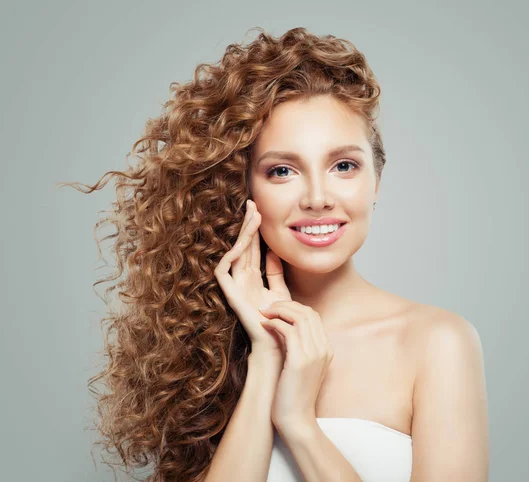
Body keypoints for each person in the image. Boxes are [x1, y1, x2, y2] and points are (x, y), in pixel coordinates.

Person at [62, 26, 489, 481]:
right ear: (243, 190)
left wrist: (299, 425)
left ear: (376, 180)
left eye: (343, 165)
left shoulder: (438, 343)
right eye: (283, 170)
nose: (318, 197)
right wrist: (266, 355)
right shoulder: (207, 351)